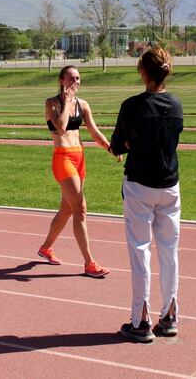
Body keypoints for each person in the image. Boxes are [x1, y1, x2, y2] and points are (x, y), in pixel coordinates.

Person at [110, 46, 184, 342]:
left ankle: (141, 320)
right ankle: (169, 315)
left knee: (141, 251)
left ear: (143, 72)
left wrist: (128, 144)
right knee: (169, 252)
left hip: (140, 185)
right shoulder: (176, 105)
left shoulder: (132, 106)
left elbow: (117, 144)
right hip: (170, 187)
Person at [38, 65, 116, 278]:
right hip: (63, 158)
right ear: (62, 80)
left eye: (78, 79)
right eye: (71, 79)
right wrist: (66, 101)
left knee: (67, 210)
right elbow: (61, 127)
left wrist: (110, 147)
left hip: (79, 158)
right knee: (80, 208)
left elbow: (93, 130)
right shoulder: (52, 103)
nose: (76, 82)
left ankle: (45, 248)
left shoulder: (83, 105)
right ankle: (89, 263)